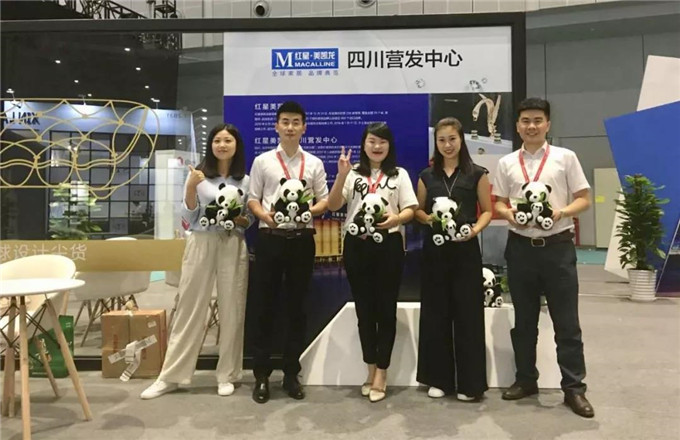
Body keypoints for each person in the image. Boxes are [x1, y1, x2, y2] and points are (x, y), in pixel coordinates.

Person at [492, 97, 594, 418]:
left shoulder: (565, 157)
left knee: (567, 323)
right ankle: (526, 380)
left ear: (548, 124)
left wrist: (561, 212)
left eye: (537, 120)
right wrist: (509, 214)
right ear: (517, 125)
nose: (531, 126)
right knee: (524, 322)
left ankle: (574, 388)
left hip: (557, 248)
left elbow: (584, 199)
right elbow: (498, 202)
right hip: (520, 249)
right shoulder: (507, 162)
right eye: (525, 121)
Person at [141, 123, 252, 399]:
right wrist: (191, 187)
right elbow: (188, 217)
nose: (222, 145)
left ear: (236, 146)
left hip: (232, 242)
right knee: (189, 307)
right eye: (217, 140)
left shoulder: (245, 180)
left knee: (233, 309)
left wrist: (237, 218)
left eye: (228, 140)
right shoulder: (198, 176)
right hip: (201, 241)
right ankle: (171, 376)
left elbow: (249, 220)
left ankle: (227, 374)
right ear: (211, 145)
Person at [327, 122, 418, 402]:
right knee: (364, 311)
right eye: (372, 141)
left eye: (382, 142)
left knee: (385, 310)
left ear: (389, 145)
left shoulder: (399, 174)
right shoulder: (353, 173)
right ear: (363, 144)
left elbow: (411, 209)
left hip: (388, 246)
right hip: (357, 246)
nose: (377, 146)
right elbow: (333, 205)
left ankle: (382, 372)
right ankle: (369, 369)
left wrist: (396, 219)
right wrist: (341, 176)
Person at [247, 101, 329, 404]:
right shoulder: (263, 161)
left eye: (296, 122)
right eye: (285, 122)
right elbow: (253, 199)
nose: (290, 127)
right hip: (270, 238)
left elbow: (324, 200)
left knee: (297, 307)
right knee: (264, 306)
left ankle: (291, 373)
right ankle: (261, 375)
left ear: (304, 127)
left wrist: (310, 212)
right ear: (276, 126)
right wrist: (264, 216)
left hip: (302, 240)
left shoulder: (314, 163)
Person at [415, 117, 493, 401]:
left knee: (468, 316)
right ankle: (439, 379)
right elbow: (418, 210)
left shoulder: (477, 174)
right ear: (435, 143)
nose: (447, 145)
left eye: (452, 139)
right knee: (435, 314)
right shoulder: (427, 176)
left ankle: (470, 384)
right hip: (435, 253)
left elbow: (487, 210)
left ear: (461, 140)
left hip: (465, 252)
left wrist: (474, 230)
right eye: (441, 140)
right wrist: (430, 219)